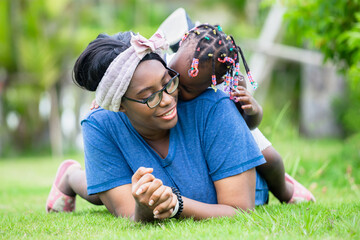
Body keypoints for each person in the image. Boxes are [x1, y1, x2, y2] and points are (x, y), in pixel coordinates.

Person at [46, 30, 269, 222]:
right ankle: (71, 176)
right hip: (129, 172)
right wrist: (144, 209)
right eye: (148, 96)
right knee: (101, 194)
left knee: (102, 191)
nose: (167, 99)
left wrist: (176, 205)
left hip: (239, 175)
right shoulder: (100, 125)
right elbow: (129, 212)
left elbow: (240, 210)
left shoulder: (215, 107)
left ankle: (259, 169)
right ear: (120, 105)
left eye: (167, 82)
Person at [166, 23, 315, 203]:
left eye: (186, 88)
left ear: (216, 80)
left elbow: (248, 126)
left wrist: (251, 110)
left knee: (270, 158)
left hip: (232, 129)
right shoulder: (168, 61)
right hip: (192, 125)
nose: (175, 88)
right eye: (172, 74)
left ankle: (285, 191)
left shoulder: (229, 86)